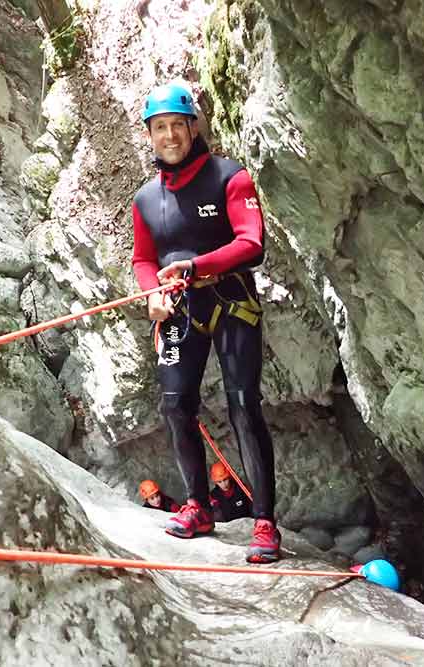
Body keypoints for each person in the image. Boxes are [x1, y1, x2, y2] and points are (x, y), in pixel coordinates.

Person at [131, 81, 281, 563]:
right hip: (177, 310)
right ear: (150, 135)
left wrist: (197, 267)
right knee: (176, 407)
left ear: (193, 127)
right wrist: (152, 291)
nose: (170, 135)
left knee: (243, 406)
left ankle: (263, 521)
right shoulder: (145, 200)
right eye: (160, 128)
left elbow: (251, 243)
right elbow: (142, 258)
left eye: (178, 125)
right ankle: (198, 506)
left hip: (231, 301)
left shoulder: (228, 177)